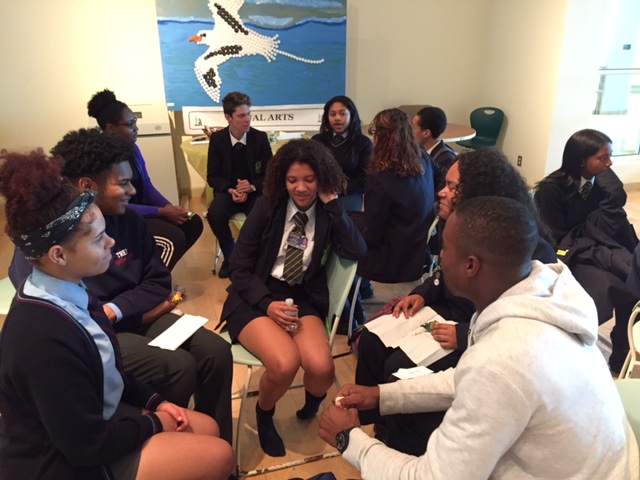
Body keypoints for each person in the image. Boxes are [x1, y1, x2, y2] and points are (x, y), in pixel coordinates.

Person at [319, 196, 639, 480]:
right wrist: (382, 395)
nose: (439, 256)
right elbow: (465, 378)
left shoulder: (503, 358)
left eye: (445, 248)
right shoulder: (542, 295)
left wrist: (349, 440)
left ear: (471, 265)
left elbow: (432, 476)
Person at [0, 150, 234, 480]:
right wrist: (154, 423)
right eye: (98, 239)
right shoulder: (42, 337)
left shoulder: (71, 292)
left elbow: (110, 371)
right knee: (220, 455)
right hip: (62, 460)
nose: (111, 241)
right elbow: (85, 446)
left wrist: (156, 402)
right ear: (58, 255)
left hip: (96, 421)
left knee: (209, 427)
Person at [354, 149, 557, 454]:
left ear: (478, 192)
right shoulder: (456, 224)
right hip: (446, 311)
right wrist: (422, 293)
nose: (441, 192)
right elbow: (442, 270)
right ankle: (378, 423)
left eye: (452, 187)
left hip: (472, 328)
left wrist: (464, 334)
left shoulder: (524, 247)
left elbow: (521, 327)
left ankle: (407, 451)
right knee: (371, 340)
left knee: (399, 368)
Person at [220, 139, 366, 457]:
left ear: (322, 178)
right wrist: (266, 304)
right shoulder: (267, 207)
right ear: (281, 179)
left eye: (309, 179)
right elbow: (239, 267)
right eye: (292, 180)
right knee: (285, 363)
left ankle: (312, 403)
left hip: (300, 294)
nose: (300, 188)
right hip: (256, 293)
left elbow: (358, 250)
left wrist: (334, 205)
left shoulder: (327, 212)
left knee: (322, 369)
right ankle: (265, 413)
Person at [534, 128, 638, 374]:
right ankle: (571, 346)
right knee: (608, 285)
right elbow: (555, 238)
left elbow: (614, 224)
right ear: (581, 160)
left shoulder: (601, 185)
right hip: (568, 253)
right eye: (602, 158)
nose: (609, 164)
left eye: (610, 156)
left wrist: (615, 195)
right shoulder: (552, 190)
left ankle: (623, 351)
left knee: (632, 280)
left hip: (596, 245)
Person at [88, 89, 203, 272]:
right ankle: (152, 280)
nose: (136, 129)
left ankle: (151, 275)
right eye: (130, 124)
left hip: (142, 212)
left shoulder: (133, 149)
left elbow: (147, 187)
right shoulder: (102, 159)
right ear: (110, 128)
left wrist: (169, 207)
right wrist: (160, 212)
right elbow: (114, 204)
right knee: (173, 237)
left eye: (135, 122)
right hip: (119, 217)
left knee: (192, 222)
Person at [355, 108, 435, 285]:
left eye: (374, 132)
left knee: (339, 229)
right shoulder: (423, 158)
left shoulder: (379, 178)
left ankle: (357, 290)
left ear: (381, 137)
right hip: (418, 250)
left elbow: (372, 236)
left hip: (391, 259)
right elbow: (442, 177)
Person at [207, 91, 273, 278]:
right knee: (214, 214)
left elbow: (270, 173)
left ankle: (251, 258)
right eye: (241, 116)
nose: (247, 120)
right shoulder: (217, 140)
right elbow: (213, 176)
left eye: (249, 114)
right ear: (228, 118)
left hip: (254, 191)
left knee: (262, 214)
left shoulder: (260, 138)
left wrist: (251, 186)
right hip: (229, 191)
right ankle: (231, 256)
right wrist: (231, 189)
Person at [312, 95, 372, 212]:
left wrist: (338, 190)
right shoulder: (317, 140)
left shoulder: (363, 143)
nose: (337, 118)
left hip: (349, 193)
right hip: (320, 191)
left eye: (342, 114)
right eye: (332, 114)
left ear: (351, 115)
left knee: (340, 214)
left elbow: (365, 178)